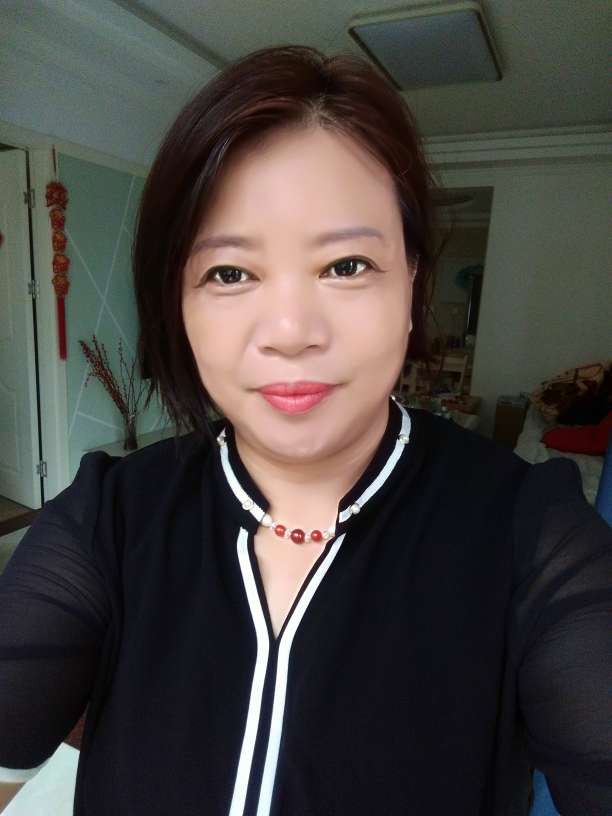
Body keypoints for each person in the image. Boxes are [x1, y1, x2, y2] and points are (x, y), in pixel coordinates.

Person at [1, 45, 611, 816]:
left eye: (346, 265)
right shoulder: (109, 516)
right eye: (229, 273)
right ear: (177, 302)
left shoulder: (531, 531)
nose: (290, 331)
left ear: (412, 280)